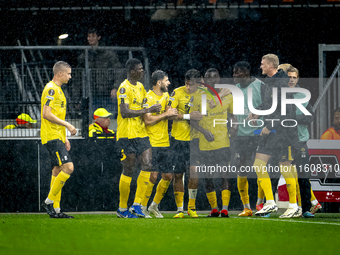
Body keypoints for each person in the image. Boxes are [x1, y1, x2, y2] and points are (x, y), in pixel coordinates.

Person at [249, 54, 300, 218]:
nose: (260, 66)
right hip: (272, 133)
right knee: (258, 165)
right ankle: (270, 203)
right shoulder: (270, 83)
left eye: (262, 64)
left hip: (283, 133)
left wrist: (269, 126)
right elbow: (269, 104)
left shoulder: (281, 84)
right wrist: (257, 111)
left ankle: (294, 206)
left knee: (285, 167)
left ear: (271, 66)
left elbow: (285, 111)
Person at [116, 58, 161, 218]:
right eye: (140, 69)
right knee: (128, 169)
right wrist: (147, 109)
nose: (143, 71)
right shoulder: (123, 88)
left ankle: (137, 205)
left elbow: (143, 109)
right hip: (126, 134)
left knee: (147, 164)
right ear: (132, 71)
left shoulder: (141, 87)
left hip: (141, 133)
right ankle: (122, 208)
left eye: (142, 68)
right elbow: (124, 112)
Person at [190, 68, 235, 218]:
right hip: (204, 144)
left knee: (224, 175)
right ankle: (214, 208)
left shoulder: (228, 95)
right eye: (208, 78)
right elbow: (192, 120)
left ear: (218, 78)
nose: (211, 81)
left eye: (214, 78)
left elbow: (233, 116)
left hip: (223, 143)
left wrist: (234, 128)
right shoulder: (198, 96)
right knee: (208, 177)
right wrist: (203, 131)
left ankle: (225, 209)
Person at [40, 61, 77, 218]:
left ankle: (56, 210)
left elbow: (56, 115)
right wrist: (68, 125)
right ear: (59, 73)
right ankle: (48, 202)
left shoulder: (59, 91)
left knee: (57, 171)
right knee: (68, 168)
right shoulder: (51, 89)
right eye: (68, 73)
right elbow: (46, 113)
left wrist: (65, 137)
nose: (70, 76)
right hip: (51, 136)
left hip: (58, 136)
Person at [231, 61, 267, 217]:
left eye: (236, 72)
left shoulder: (261, 86)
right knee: (241, 169)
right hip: (240, 136)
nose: (234, 75)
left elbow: (269, 104)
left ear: (245, 73)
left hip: (258, 134)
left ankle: (260, 204)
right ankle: (246, 207)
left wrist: (259, 113)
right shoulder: (235, 90)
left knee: (260, 169)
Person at [167, 69, 204, 218]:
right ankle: (180, 209)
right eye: (187, 84)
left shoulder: (203, 94)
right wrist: (189, 115)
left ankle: (192, 207)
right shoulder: (177, 93)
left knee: (194, 174)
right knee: (178, 175)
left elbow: (204, 115)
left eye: (192, 85)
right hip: (178, 139)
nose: (189, 88)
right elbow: (169, 113)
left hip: (195, 140)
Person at [140, 70, 178, 218]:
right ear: (158, 82)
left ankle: (153, 206)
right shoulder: (148, 98)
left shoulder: (167, 96)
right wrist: (166, 114)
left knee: (168, 176)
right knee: (152, 177)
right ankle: (142, 207)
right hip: (151, 142)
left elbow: (170, 112)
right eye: (166, 80)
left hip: (164, 142)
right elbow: (147, 121)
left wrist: (171, 112)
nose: (168, 83)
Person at [78, 28, 121, 116]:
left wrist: (115, 87)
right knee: (95, 120)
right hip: (92, 93)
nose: (91, 38)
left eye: (93, 36)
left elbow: (118, 71)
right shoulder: (84, 56)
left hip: (107, 92)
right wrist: (78, 95)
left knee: (108, 119)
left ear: (99, 37)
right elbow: (78, 76)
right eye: (89, 36)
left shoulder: (108, 54)